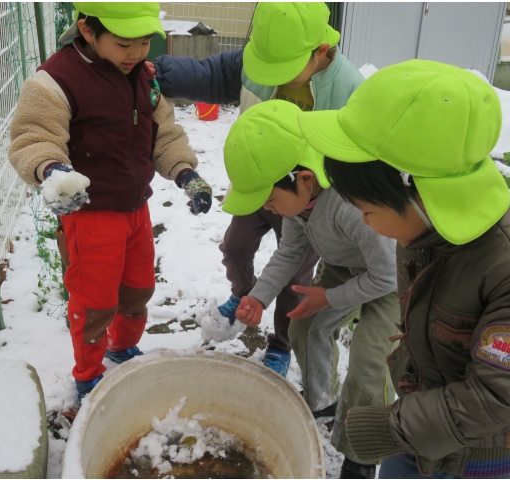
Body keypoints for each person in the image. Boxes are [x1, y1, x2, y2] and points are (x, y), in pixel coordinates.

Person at [297, 59, 510, 479]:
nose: (364, 222)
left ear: (418, 194)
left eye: (367, 210)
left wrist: (391, 427)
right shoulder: (422, 231)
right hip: (426, 418)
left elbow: (496, 395)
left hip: (480, 449)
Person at [8, 2, 213, 402]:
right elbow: (34, 137)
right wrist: (52, 170)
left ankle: (122, 346)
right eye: (123, 43)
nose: (136, 53)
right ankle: (88, 373)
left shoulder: (143, 76)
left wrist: (185, 172)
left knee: (138, 287)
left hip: (135, 206)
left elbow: (164, 132)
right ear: (88, 29)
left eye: (144, 41)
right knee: (95, 300)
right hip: (90, 213)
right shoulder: (56, 82)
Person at [150, 2, 364, 378]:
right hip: (257, 187)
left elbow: (359, 157)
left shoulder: (350, 90)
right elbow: (212, 74)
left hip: (305, 201)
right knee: (235, 247)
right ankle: (245, 294)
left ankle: (281, 343)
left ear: (320, 51)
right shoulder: (263, 55)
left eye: (281, 71)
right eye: (265, 67)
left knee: (296, 277)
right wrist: (162, 73)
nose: (270, 76)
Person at [224, 100, 399, 480]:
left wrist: (329, 297)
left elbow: (388, 276)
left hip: (394, 279)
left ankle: (362, 451)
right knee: (305, 327)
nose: (269, 208)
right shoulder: (299, 205)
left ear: (304, 178)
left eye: (270, 199)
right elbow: (290, 251)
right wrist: (259, 295)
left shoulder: (350, 206)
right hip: (345, 267)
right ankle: (323, 399)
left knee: (371, 361)